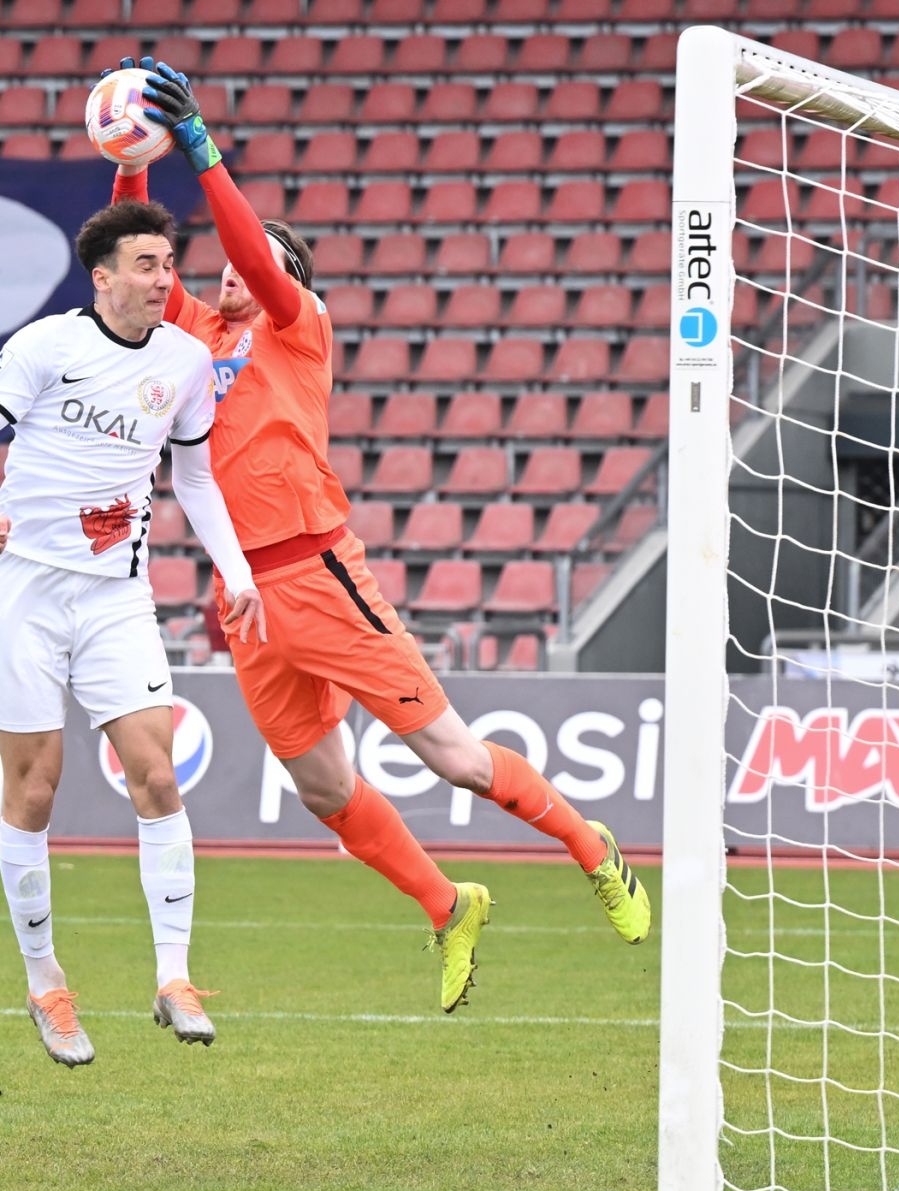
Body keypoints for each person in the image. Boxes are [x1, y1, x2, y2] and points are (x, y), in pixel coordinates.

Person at [105, 57, 652, 1013]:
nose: (231, 266)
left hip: (317, 571)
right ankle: (449, 905)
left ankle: (587, 844)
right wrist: (131, 156)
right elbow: (135, 247)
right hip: (247, 598)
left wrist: (202, 149)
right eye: (231, 259)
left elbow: (257, 257)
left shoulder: (296, 327)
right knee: (323, 789)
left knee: (455, 757)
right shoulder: (195, 335)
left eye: (257, 257)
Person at [0, 200, 264, 1067]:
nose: (164, 279)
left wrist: (236, 573)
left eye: (169, 263)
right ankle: (47, 985)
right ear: (105, 276)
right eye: (148, 264)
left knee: (156, 775)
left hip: (118, 596)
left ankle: (173, 978)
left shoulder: (188, 361)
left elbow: (193, 477)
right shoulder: (48, 345)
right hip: (29, 596)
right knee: (36, 792)